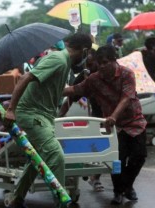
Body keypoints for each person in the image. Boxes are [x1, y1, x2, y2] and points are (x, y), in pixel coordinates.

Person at [5, 33, 92, 208]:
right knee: (55, 155)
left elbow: (58, 91)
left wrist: (82, 85)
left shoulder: (65, 64)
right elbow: (24, 78)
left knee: (38, 159)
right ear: (84, 51)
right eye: (88, 53)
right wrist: (10, 110)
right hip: (32, 115)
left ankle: (17, 199)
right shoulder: (58, 59)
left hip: (43, 116)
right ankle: (61, 203)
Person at [63, 45, 147, 205]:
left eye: (105, 62)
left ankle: (127, 186)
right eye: (99, 63)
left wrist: (114, 116)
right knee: (117, 160)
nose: (101, 66)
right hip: (113, 126)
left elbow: (126, 98)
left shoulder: (126, 73)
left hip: (134, 121)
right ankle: (118, 192)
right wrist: (53, 90)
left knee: (139, 156)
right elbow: (76, 89)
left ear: (114, 61)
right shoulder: (94, 79)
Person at [58, 49, 105, 192]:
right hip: (98, 116)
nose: (90, 67)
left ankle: (116, 186)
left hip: (115, 114)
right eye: (87, 64)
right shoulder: (85, 76)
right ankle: (94, 177)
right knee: (97, 147)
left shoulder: (109, 75)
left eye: (92, 64)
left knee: (112, 151)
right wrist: (59, 118)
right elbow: (71, 97)